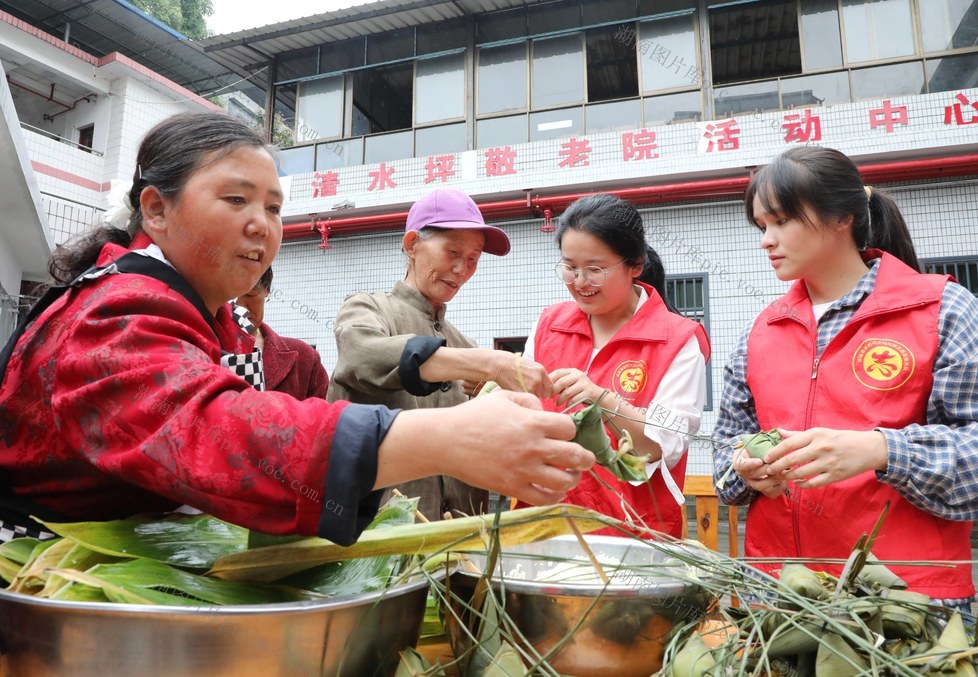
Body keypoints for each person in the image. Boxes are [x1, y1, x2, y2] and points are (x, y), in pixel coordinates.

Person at [0, 112, 593, 546]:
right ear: (155, 209)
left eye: (276, 209)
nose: (262, 224)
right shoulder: (113, 313)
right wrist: (453, 430)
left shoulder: (208, 315)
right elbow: (224, 430)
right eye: (237, 199)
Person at [713, 145, 978, 604]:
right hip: (780, 596)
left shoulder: (941, 310)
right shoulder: (758, 331)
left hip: (907, 603)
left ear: (841, 217)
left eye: (782, 221)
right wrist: (747, 471)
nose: (766, 239)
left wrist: (883, 450)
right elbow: (726, 447)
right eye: (761, 225)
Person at [331, 188, 554, 521]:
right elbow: (363, 356)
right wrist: (489, 361)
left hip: (457, 542)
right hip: (375, 542)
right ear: (411, 245)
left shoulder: (461, 342)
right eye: (453, 252)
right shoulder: (366, 309)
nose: (462, 269)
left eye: (473, 259)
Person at [524, 194, 711, 538]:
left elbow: (661, 444)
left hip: (630, 537)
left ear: (635, 265)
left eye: (595, 269)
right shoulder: (549, 325)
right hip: (544, 527)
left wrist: (603, 399)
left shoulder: (677, 341)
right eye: (569, 266)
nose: (579, 281)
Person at [235, 266, 329, 400]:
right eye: (228, 298)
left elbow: (323, 416)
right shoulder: (201, 350)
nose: (240, 308)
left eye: (250, 294)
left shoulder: (304, 358)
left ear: (267, 289)